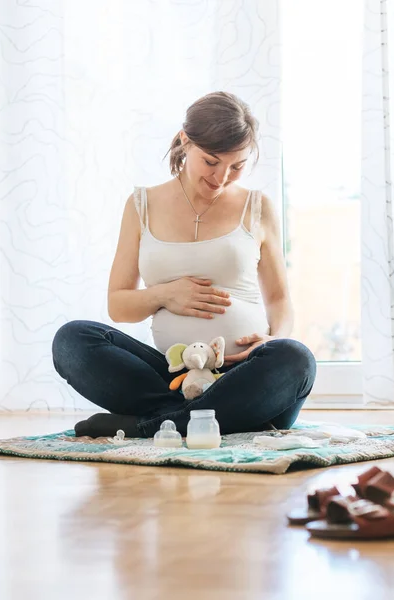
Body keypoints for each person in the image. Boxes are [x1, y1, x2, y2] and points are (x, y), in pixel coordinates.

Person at [52, 92, 316, 438]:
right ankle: (211, 422)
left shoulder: (258, 207)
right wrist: (165, 295)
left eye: (236, 167)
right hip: (173, 377)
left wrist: (270, 339)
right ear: (184, 141)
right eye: (211, 162)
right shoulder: (141, 205)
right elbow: (119, 305)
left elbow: (280, 299)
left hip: (244, 377)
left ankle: (148, 426)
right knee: (73, 339)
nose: (221, 177)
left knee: (295, 358)